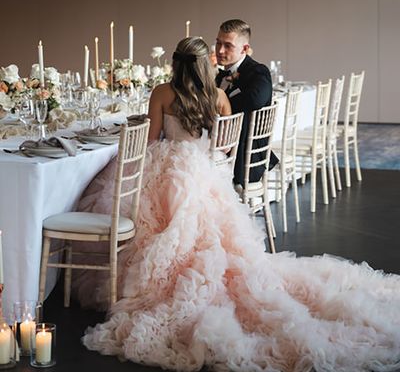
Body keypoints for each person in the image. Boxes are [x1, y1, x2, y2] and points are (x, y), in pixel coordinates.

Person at [81, 37, 400, 372]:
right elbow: (227, 150)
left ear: (174, 64)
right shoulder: (218, 96)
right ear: (205, 64)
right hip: (203, 172)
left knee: (148, 212)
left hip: (169, 166)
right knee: (207, 231)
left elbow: (150, 139)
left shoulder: (162, 92)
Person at [215, 19, 278, 188]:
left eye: (228, 45)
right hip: (224, 146)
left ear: (244, 48)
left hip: (243, 157)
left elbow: (255, 100)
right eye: (218, 43)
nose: (220, 50)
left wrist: (221, 104)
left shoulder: (258, 72)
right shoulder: (221, 74)